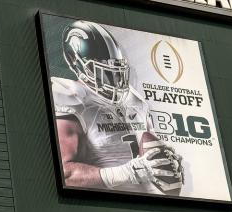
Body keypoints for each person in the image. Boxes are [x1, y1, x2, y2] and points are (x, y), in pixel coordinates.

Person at [51, 20, 183, 193]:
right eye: (103, 71)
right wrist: (126, 173)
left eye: (116, 71)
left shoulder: (135, 99)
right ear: (75, 61)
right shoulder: (71, 97)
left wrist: (165, 162)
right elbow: (65, 174)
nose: (112, 79)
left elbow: (150, 150)